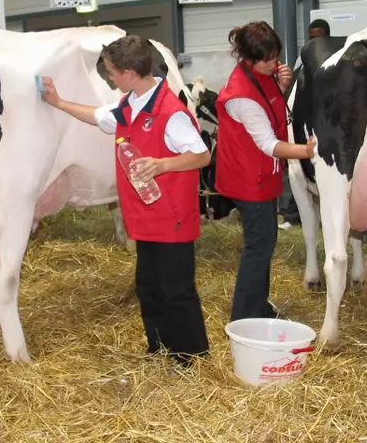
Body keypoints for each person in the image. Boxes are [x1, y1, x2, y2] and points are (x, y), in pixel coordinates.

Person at [39, 35, 211, 366]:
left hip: (171, 215)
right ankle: (158, 346)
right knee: (148, 286)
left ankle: (190, 356)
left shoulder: (169, 112)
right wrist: (59, 103)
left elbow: (201, 156)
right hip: (145, 215)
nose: (110, 78)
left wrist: (163, 164)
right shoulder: (130, 104)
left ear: (130, 72)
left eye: (113, 73)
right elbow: (99, 116)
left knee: (177, 289)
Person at [214, 21, 316, 322]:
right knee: (258, 247)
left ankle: (258, 307)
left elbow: (272, 107)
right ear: (248, 57)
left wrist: (281, 85)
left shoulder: (261, 76)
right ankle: (244, 318)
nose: (275, 63)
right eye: (268, 59)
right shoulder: (242, 95)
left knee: (265, 242)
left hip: (261, 175)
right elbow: (269, 144)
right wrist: (307, 151)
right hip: (249, 179)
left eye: (276, 56)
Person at [278, 18, 332, 227]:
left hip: (327, 129)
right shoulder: (303, 63)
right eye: (311, 37)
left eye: (318, 37)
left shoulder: (337, 61)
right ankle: (291, 215)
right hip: (303, 128)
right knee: (295, 170)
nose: (314, 41)